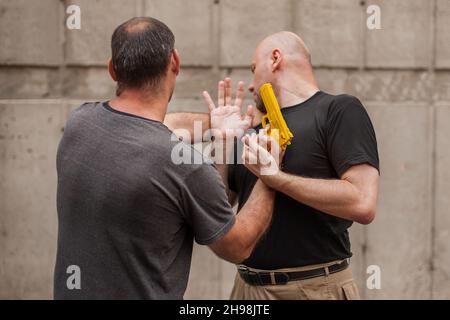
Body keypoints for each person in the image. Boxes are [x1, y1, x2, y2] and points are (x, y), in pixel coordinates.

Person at [54, 17, 280, 300]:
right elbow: (237, 246)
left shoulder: (80, 122)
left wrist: (218, 134)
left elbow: (149, 126)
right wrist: (270, 173)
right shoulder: (183, 165)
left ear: (112, 69)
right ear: (174, 61)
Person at [167, 31, 380, 300]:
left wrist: (275, 177)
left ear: (275, 59)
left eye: (254, 69)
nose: (252, 86)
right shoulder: (255, 128)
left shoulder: (338, 110)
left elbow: (363, 203)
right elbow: (220, 206)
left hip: (314, 287)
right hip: (246, 288)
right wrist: (220, 144)